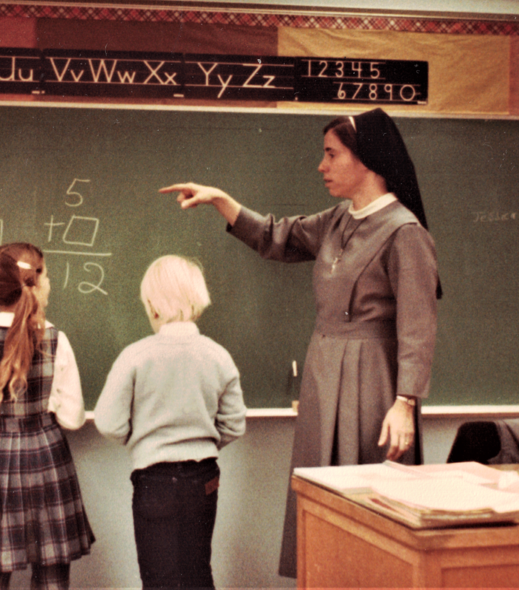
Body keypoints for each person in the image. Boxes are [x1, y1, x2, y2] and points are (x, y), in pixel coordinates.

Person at [160, 107, 440, 578]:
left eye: (331, 155)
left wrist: (405, 403)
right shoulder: (337, 220)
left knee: (366, 502)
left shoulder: (404, 231)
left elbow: (418, 324)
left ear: (365, 158)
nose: (321, 166)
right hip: (323, 371)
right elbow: (277, 236)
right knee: (319, 496)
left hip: (373, 381)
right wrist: (221, 201)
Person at [94, 255, 246, 589]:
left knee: (159, 578)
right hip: (205, 478)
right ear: (198, 301)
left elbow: (107, 421)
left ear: (153, 305)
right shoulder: (218, 355)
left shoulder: (135, 355)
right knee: (197, 571)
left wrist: (141, 439)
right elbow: (235, 424)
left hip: (155, 479)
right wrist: (202, 441)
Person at [0, 243, 94, 590]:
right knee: (51, 571)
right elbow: (73, 417)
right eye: (46, 272)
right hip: (47, 459)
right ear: (36, 282)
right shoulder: (56, 338)